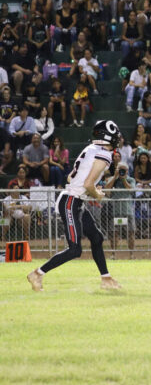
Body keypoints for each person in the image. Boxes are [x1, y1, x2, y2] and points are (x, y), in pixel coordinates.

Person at [26, 120, 123, 292]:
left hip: (74, 200)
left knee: (97, 238)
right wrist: (97, 194)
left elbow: (71, 177)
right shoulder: (104, 154)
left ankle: (105, 278)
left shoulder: (91, 149)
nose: (118, 139)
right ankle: (37, 274)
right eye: (116, 136)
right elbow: (87, 185)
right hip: (71, 201)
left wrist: (91, 187)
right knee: (75, 249)